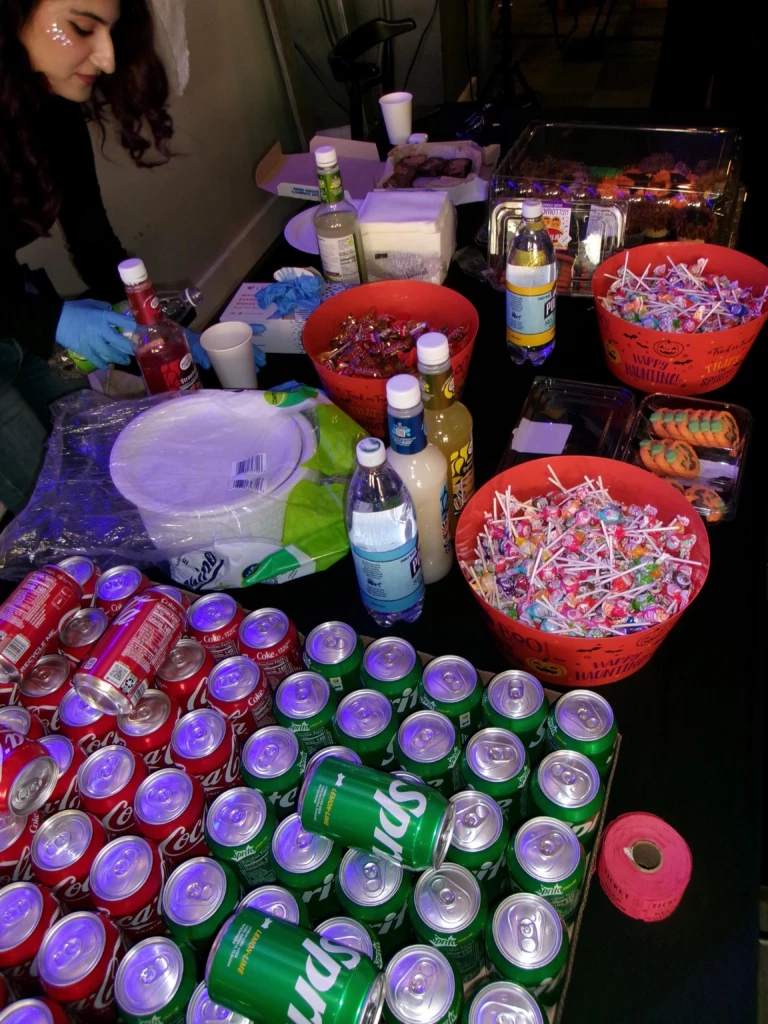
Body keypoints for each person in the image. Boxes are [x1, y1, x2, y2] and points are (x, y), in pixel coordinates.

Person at [0, 0, 211, 515]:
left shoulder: (47, 101)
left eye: (111, 31)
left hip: (13, 300)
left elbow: (91, 238)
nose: (109, 58)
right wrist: (50, 321)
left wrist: (149, 320)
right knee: (52, 506)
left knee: (94, 463)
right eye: (81, 27)